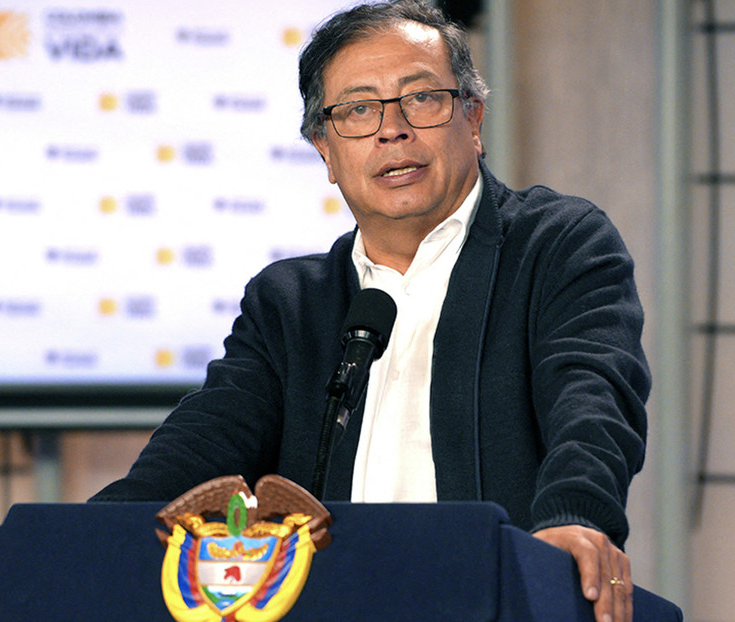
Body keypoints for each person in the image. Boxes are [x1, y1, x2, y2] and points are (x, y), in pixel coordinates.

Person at [92, 2, 648, 620]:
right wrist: (85, 541)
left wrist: (575, 516)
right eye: (358, 110)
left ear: (473, 119)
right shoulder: (289, 303)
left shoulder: (556, 246)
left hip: (496, 599)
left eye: (422, 98)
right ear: (325, 152)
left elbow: (594, 401)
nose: (392, 130)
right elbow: (199, 447)